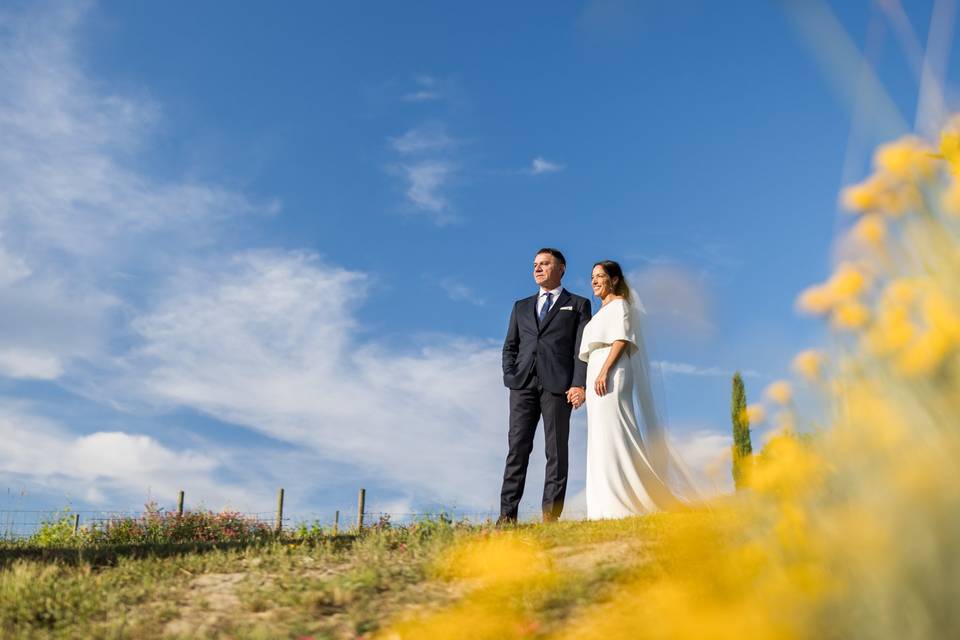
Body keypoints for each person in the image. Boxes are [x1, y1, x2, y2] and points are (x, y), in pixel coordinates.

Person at [580, 260, 690, 519]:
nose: (594, 281)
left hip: (612, 372)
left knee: (617, 431)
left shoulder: (620, 306)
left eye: (600, 276)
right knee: (601, 436)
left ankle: (628, 499)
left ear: (614, 279)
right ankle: (603, 504)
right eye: (592, 277)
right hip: (595, 371)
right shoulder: (598, 314)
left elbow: (621, 339)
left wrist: (605, 370)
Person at [499, 248, 592, 524]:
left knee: (556, 451)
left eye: (545, 263)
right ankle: (506, 516)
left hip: (558, 386)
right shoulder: (521, 306)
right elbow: (510, 346)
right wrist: (510, 374)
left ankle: (550, 516)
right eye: (535, 264)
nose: (538, 268)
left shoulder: (578, 304)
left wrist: (579, 383)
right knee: (517, 448)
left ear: (561, 268)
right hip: (522, 384)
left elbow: (581, 349)